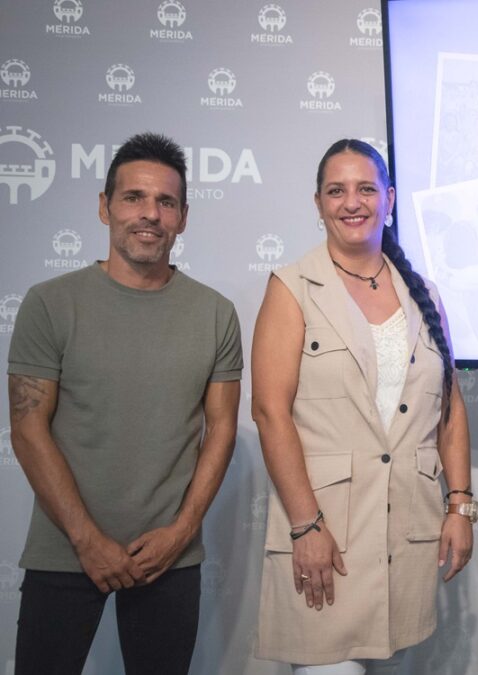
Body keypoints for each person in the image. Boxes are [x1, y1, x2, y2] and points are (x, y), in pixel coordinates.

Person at [7, 132, 243, 674]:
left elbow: (222, 430)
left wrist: (180, 533)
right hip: (64, 549)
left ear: (183, 217)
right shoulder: (49, 303)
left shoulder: (215, 313)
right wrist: (87, 540)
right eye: (134, 197)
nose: (150, 214)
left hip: (169, 556)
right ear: (104, 206)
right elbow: (27, 428)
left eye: (166, 202)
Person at [253, 140, 474, 673]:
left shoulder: (424, 293)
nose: (352, 202)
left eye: (366, 189)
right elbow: (269, 413)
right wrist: (305, 526)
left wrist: (460, 506)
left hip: (408, 539)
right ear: (318, 203)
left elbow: (450, 408)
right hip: (327, 540)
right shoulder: (292, 288)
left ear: (389, 199)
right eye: (337, 191)